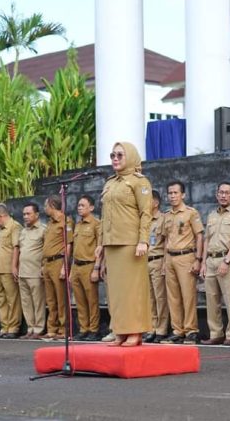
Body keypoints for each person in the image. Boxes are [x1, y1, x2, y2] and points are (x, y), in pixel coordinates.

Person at [100, 141, 153, 347]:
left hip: (131, 243)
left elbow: (145, 213)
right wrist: (100, 243)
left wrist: (143, 241)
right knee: (116, 291)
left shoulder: (140, 182)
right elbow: (104, 217)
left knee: (133, 290)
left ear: (130, 156)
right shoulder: (110, 183)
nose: (115, 159)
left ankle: (135, 331)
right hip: (111, 242)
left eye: (120, 155)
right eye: (112, 155)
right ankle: (120, 331)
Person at [158, 179, 204, 345]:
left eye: (176, 193)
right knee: (173, 297)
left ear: (183, 194)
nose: (172, 196)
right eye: (170, 193)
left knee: (188, 295)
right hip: (170, 257)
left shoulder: (191, 213)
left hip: (186, 256)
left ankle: (191, 330)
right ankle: (177, 330)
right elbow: (165, 240)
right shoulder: (166, 215)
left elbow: (199, 236)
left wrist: (198, 260)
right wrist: (164, 262)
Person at [201, 181, 230, 345]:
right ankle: (215, 333)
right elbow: (207, 239)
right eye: (221, 192)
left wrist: (226, 261)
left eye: (227, 193)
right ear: (216, 194)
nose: (224, 195)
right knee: (212, 299)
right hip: (211, 259)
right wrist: (204, 262)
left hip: (226, 258)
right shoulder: (212, 215)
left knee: (229, 299)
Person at [41, 195, 73, 341]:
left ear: (52, 206)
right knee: (50, 299)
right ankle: (52, 328)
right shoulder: (49, 223)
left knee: (61, 298)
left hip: (58, 262)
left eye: (46, 206)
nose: (44, 209)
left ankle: (63, 328)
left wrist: (64, 267)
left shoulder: (65, 221)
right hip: (47, 263)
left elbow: (68, 245)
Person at [71, 194, 102, 341]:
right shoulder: (77, 224)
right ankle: (84, 328)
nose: (80, 208)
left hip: (89, 265)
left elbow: (99, 247)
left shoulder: (96, 224)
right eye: (78, 205)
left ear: (91, 207)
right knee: (80, 300)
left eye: (83, 205)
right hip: (76, 266)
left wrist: (96, 268)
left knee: (92, 300)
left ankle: (94, 329)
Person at [16, 202, 47, 339]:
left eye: (28, 214)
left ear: (37, 215)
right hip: (22, 272)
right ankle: (30, 327)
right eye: (24, 214)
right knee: (26, 302)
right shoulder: (23, 231)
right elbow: (19, 251)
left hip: (35, 272)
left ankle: (38, 329)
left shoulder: (43, 230)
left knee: (38, 302)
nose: (26, 216)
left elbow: (46, 250)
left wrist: (43, 267)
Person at [0, 203, 22, 339]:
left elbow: (16, 247)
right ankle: (5, 327)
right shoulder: (1, 229)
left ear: (1, 216)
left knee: (12, 299)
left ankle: (13, 327)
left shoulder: (14, 227)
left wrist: (14, 266)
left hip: (8, 269)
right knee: (1, 300)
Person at [144, 190, 169, 343]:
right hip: (144, 261)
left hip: (158, 259)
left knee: (160, 297)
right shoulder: (144, 220)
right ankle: (151, 327)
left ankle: (161, 328)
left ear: (156, 203)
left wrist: (165, 261)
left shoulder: (163, 218)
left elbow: (167, 242)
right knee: (149, 298)